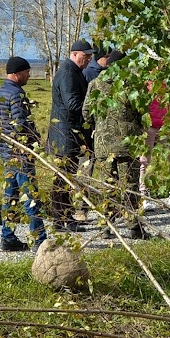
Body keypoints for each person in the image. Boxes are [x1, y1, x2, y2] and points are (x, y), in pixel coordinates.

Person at [82, 49, 148, 239]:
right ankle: (134, 227)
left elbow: (86, 113)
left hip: (103, 145)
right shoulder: (131, 85)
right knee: (130, 185)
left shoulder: (95, 83)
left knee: (107, 186)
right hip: (127, 144)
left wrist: (100, 124)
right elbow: (142, 112)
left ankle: (106, 227)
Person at [0, 56, 47, 252]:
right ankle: (40, 240)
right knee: (31, 197)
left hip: (7, 153)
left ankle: (7, 237)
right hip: (21, 154)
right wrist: (36, 143)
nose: (29, 75)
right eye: (26, 72)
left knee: (11, 197)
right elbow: (20, 125)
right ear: (16, 74)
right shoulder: (16, 95)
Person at [47, 39, 95, 232]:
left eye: (91, 55)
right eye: (86, 55)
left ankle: (65, 218)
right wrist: (93, 107)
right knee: (63, 179)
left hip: (68, 135)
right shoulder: (68, 73)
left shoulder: (74, 71)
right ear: (75, 54)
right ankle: (60, 220)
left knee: (67, 178)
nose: (89, 59)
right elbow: (73, 104)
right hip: (65, 135)